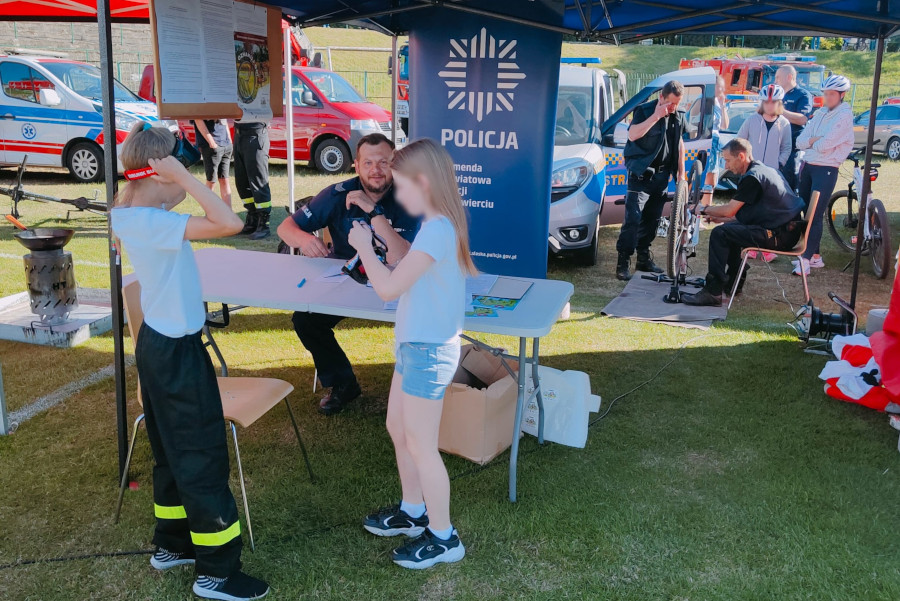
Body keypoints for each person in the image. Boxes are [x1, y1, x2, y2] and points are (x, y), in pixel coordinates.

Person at [111, 123, 268, 601]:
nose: (186, 180)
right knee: (200, 455)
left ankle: (172, 544)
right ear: (160, 176)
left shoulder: (130, 213)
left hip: (159, 346)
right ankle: (217, 572)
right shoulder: (152, 221)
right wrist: (186, 177)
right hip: (175, 352)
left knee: (170, 453)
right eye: (179, 172)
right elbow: (230, 222)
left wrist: (173, 176)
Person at [350, 138, 475, 569]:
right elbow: (405, 274)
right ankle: (413, 510)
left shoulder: (438, 229)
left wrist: (365, 246)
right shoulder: (435, 225)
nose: (397, 193)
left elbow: (387, 288)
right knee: (398, 428)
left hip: (428, 352)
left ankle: (444, 537)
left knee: (422, 445)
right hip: (414, 346)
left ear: (423, 182)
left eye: (402, 186)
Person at [276, 133, 420, 415]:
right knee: (306, 320)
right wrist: (304, 240)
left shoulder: (409, 195)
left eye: (383, 162)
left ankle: (417, 390)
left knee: (418, 323)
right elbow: (286, 228)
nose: (375, 170)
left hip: (401, 282)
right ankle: (343, 384)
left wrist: (374, 211)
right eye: (368, 163)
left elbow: (401, 255)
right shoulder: (337, 193)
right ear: (355, 164)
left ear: (395, 164)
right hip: (350, 280)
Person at [682, 138, 804, 307]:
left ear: (741, 156)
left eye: (727, 160)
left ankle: (713, 291)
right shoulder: (763, 170)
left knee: (720, 234)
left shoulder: (752, 178)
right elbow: (745, 214)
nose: (726, 166)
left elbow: (730, 210)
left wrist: (702, 209)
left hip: (780, 235)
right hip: (785, 230)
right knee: (728, 229)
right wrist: (720, 218)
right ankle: (733, 283)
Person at [615, 80, 687, 281]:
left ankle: (643, 259)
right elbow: (633, 134)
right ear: (661, 97)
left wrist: (681, 173)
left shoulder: (678, 116)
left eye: (677, 104)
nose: (673, 108)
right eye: (671, 103)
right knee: (633, 220)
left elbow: (680, 143)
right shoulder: (644, 111)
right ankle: (623, 262)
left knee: (652, 220)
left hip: (662, 176)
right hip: (641, 175)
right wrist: (657, 116)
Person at [793, 74, 855, 276]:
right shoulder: (820, 113)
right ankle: (816, 256)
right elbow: (800, 141)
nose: (827, 98)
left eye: (831, 94)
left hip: (826, 168)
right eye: (825, 94)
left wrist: (814, 142)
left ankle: (805, 259)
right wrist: (814, 141)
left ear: (842, 95)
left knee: (815, 214)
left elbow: (826, 144)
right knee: (805, 211)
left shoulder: (844, 115)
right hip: (808, 165)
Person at [775, 65, 814, 190]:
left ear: (789, 77)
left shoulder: (803, 95)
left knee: (790, 180)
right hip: (776, 145)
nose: (775, 81)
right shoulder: (778, 95)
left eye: (778, 78)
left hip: (793, 146)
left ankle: (793, 207)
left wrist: (780, 110)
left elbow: (802, 119)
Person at [737, 84, 792, 172]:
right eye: (766, 102)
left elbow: (786, 147)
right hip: (751, 170)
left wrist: (780, 163)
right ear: (762, 103)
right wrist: (746, 161)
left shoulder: (784, 123)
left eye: (773, 102)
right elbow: (739, 141)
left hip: (772, 171)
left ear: (779, 103)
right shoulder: (752, 120)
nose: (769, 106)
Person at [234, 117, 272, 240]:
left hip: (255, 134)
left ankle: (263, 224)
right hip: (239, 134)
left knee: (258, 181)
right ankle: (252, 219)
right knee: (241, 182)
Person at [700, 76, 729, 206]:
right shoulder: (703, 101)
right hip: (706, 141)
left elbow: (724, 125)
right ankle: (694, 209)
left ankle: (706, 209)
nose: (722, 89)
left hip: (715, 143)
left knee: (713, 177)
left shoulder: (718, 103)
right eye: (720, 86)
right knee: (705, 176)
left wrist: (723, 106)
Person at [192, 119, 233, 206]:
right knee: (211, 181)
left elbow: (224, 118)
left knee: (224, 180)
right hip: (211, 146)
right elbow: (198, 119)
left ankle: (229, 215)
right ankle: (209, 215)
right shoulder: (200, 105)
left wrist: (229, 140)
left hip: (225, 143)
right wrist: (211, 143)